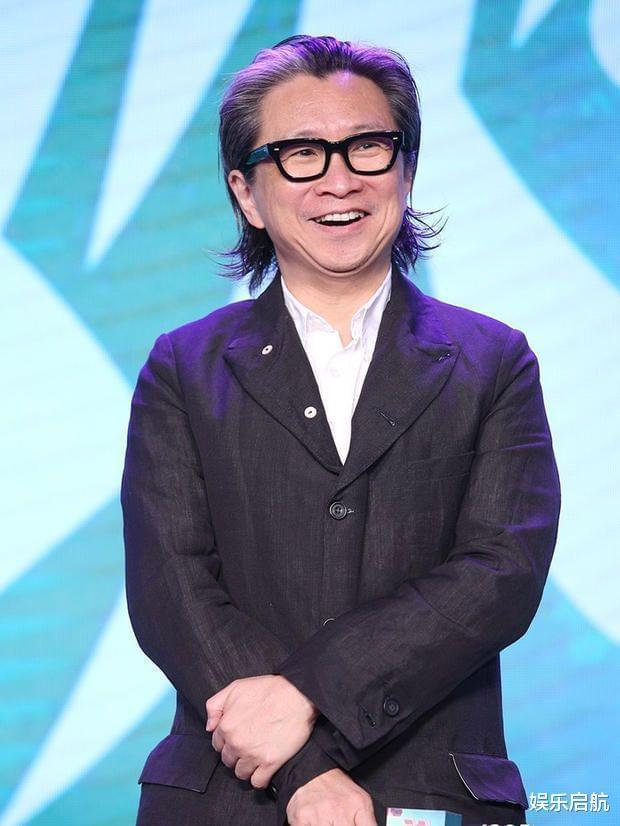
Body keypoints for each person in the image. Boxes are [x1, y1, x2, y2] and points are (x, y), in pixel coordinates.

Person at [120, 34, 561, 826]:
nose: (339, 178)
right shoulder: (184, 367)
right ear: (247, 194)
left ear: (406, 169)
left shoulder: (493, 360)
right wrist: (306, 772)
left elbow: (503, 570)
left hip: (430, 790)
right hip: (226, 800)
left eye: (367, 146)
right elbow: (170, 588)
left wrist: (309, 694)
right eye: (300, 154)